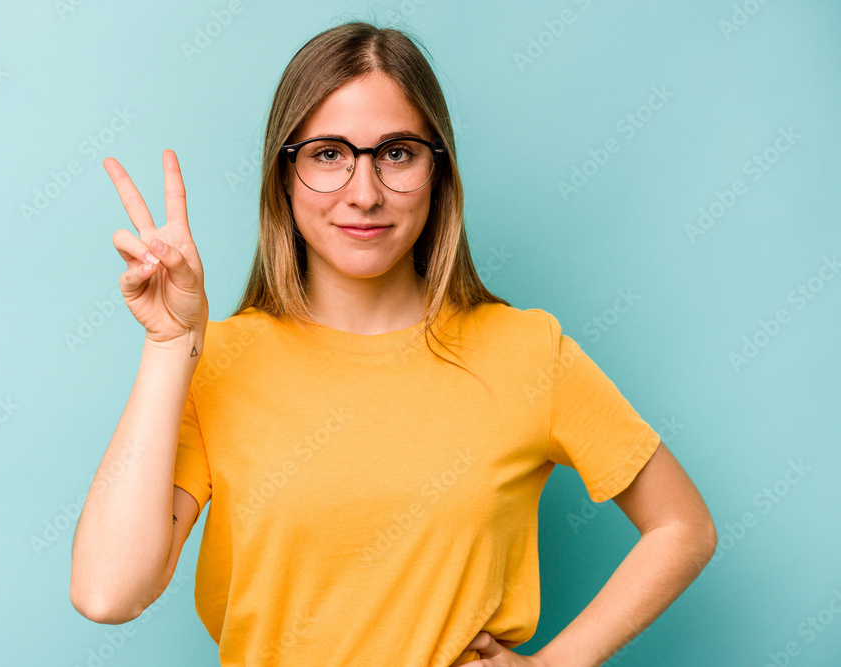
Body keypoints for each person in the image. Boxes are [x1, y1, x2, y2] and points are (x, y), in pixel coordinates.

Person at [69, 20, 717, 667]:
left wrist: (557, 663)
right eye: (329, 154)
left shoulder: (527, 350)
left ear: (438, 171)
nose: (364, 192)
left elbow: (683, 525)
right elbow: (108, 592)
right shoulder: (219, 362)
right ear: (284, 175)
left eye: (397, 153)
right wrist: (172, 340)